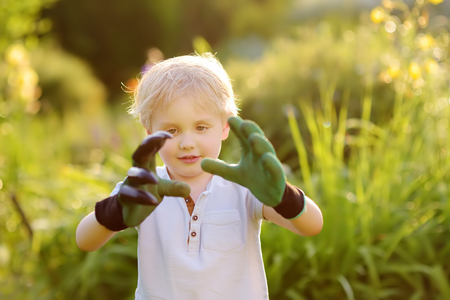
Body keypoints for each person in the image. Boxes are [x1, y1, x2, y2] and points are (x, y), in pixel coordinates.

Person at [76, 53, 323, 299]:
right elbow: (85, 240)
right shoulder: (142, 190)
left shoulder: (245, 188)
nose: (187, 142)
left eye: (201, 127)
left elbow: (312, 225)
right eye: (171, 130)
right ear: (149, 133)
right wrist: (115, 211)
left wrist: (283, 196)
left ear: (226, 127)